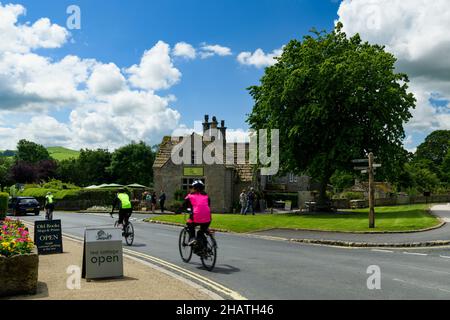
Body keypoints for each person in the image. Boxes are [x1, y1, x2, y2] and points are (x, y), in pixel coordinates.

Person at [182, 180, 212, 249]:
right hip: (208, 218)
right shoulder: (206, 196)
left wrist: (177, 211)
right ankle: (205, 248)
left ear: (194, 188)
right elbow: (208, 206)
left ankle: (192, 238)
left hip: (196, 217)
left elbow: (183, 206)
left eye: (191, 187)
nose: (190, 189)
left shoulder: (190, 196)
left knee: (189, 223)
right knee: (201, 232)